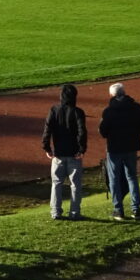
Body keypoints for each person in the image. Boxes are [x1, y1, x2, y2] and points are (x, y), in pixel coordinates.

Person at [99, 82, 140, 220]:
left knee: (114, 179)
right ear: (124, 92)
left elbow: (103, 132)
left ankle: (118, 210)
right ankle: (136, 208)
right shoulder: (136, 108)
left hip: (115, 148)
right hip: (131, 147)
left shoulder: (108, 111)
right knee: (132, 177)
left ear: (111, 95)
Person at [42, 84, 88, 219]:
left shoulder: (54, 110)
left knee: (56, 183)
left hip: (58, 154)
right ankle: (74, 213)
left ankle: (55, 212)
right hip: (74, 154)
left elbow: (47, 129)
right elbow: (82, 132)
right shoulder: (78, 112)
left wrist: (46, 147)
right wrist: (81, 149)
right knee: (75, 185)